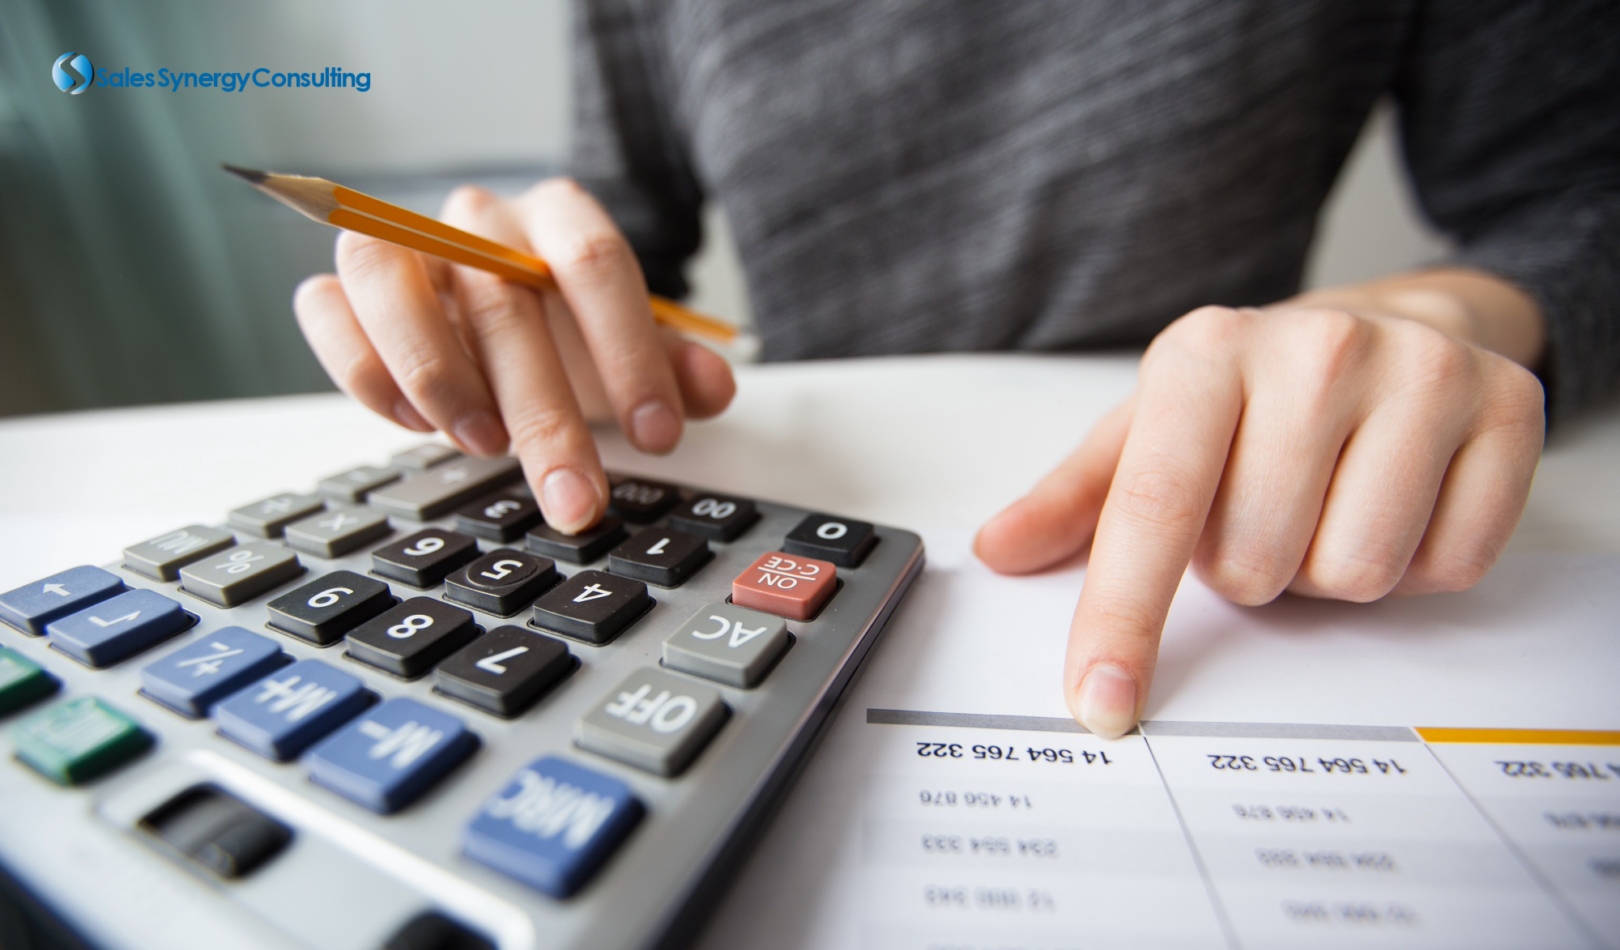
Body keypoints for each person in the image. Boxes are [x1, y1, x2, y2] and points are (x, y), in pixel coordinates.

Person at [291, 1, 1619, 737]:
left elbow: (1578, 187)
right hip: (789, 498)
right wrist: (528, 292)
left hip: (1232, 498)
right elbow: (627, 229)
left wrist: (1443, 315)